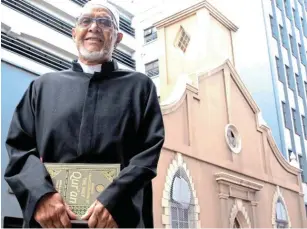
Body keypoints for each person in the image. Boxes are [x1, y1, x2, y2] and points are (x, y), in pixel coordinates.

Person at [4, 0, 165, 228]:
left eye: (104, 22)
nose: (94, 27)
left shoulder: (140, 87)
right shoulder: (42, 87)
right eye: (86, 21)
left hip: (117, 220)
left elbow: (147, 155)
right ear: (74, 33)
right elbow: (19, 149)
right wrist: (41, 196)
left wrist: (114, 199)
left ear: (117, 38)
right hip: (53, 221)